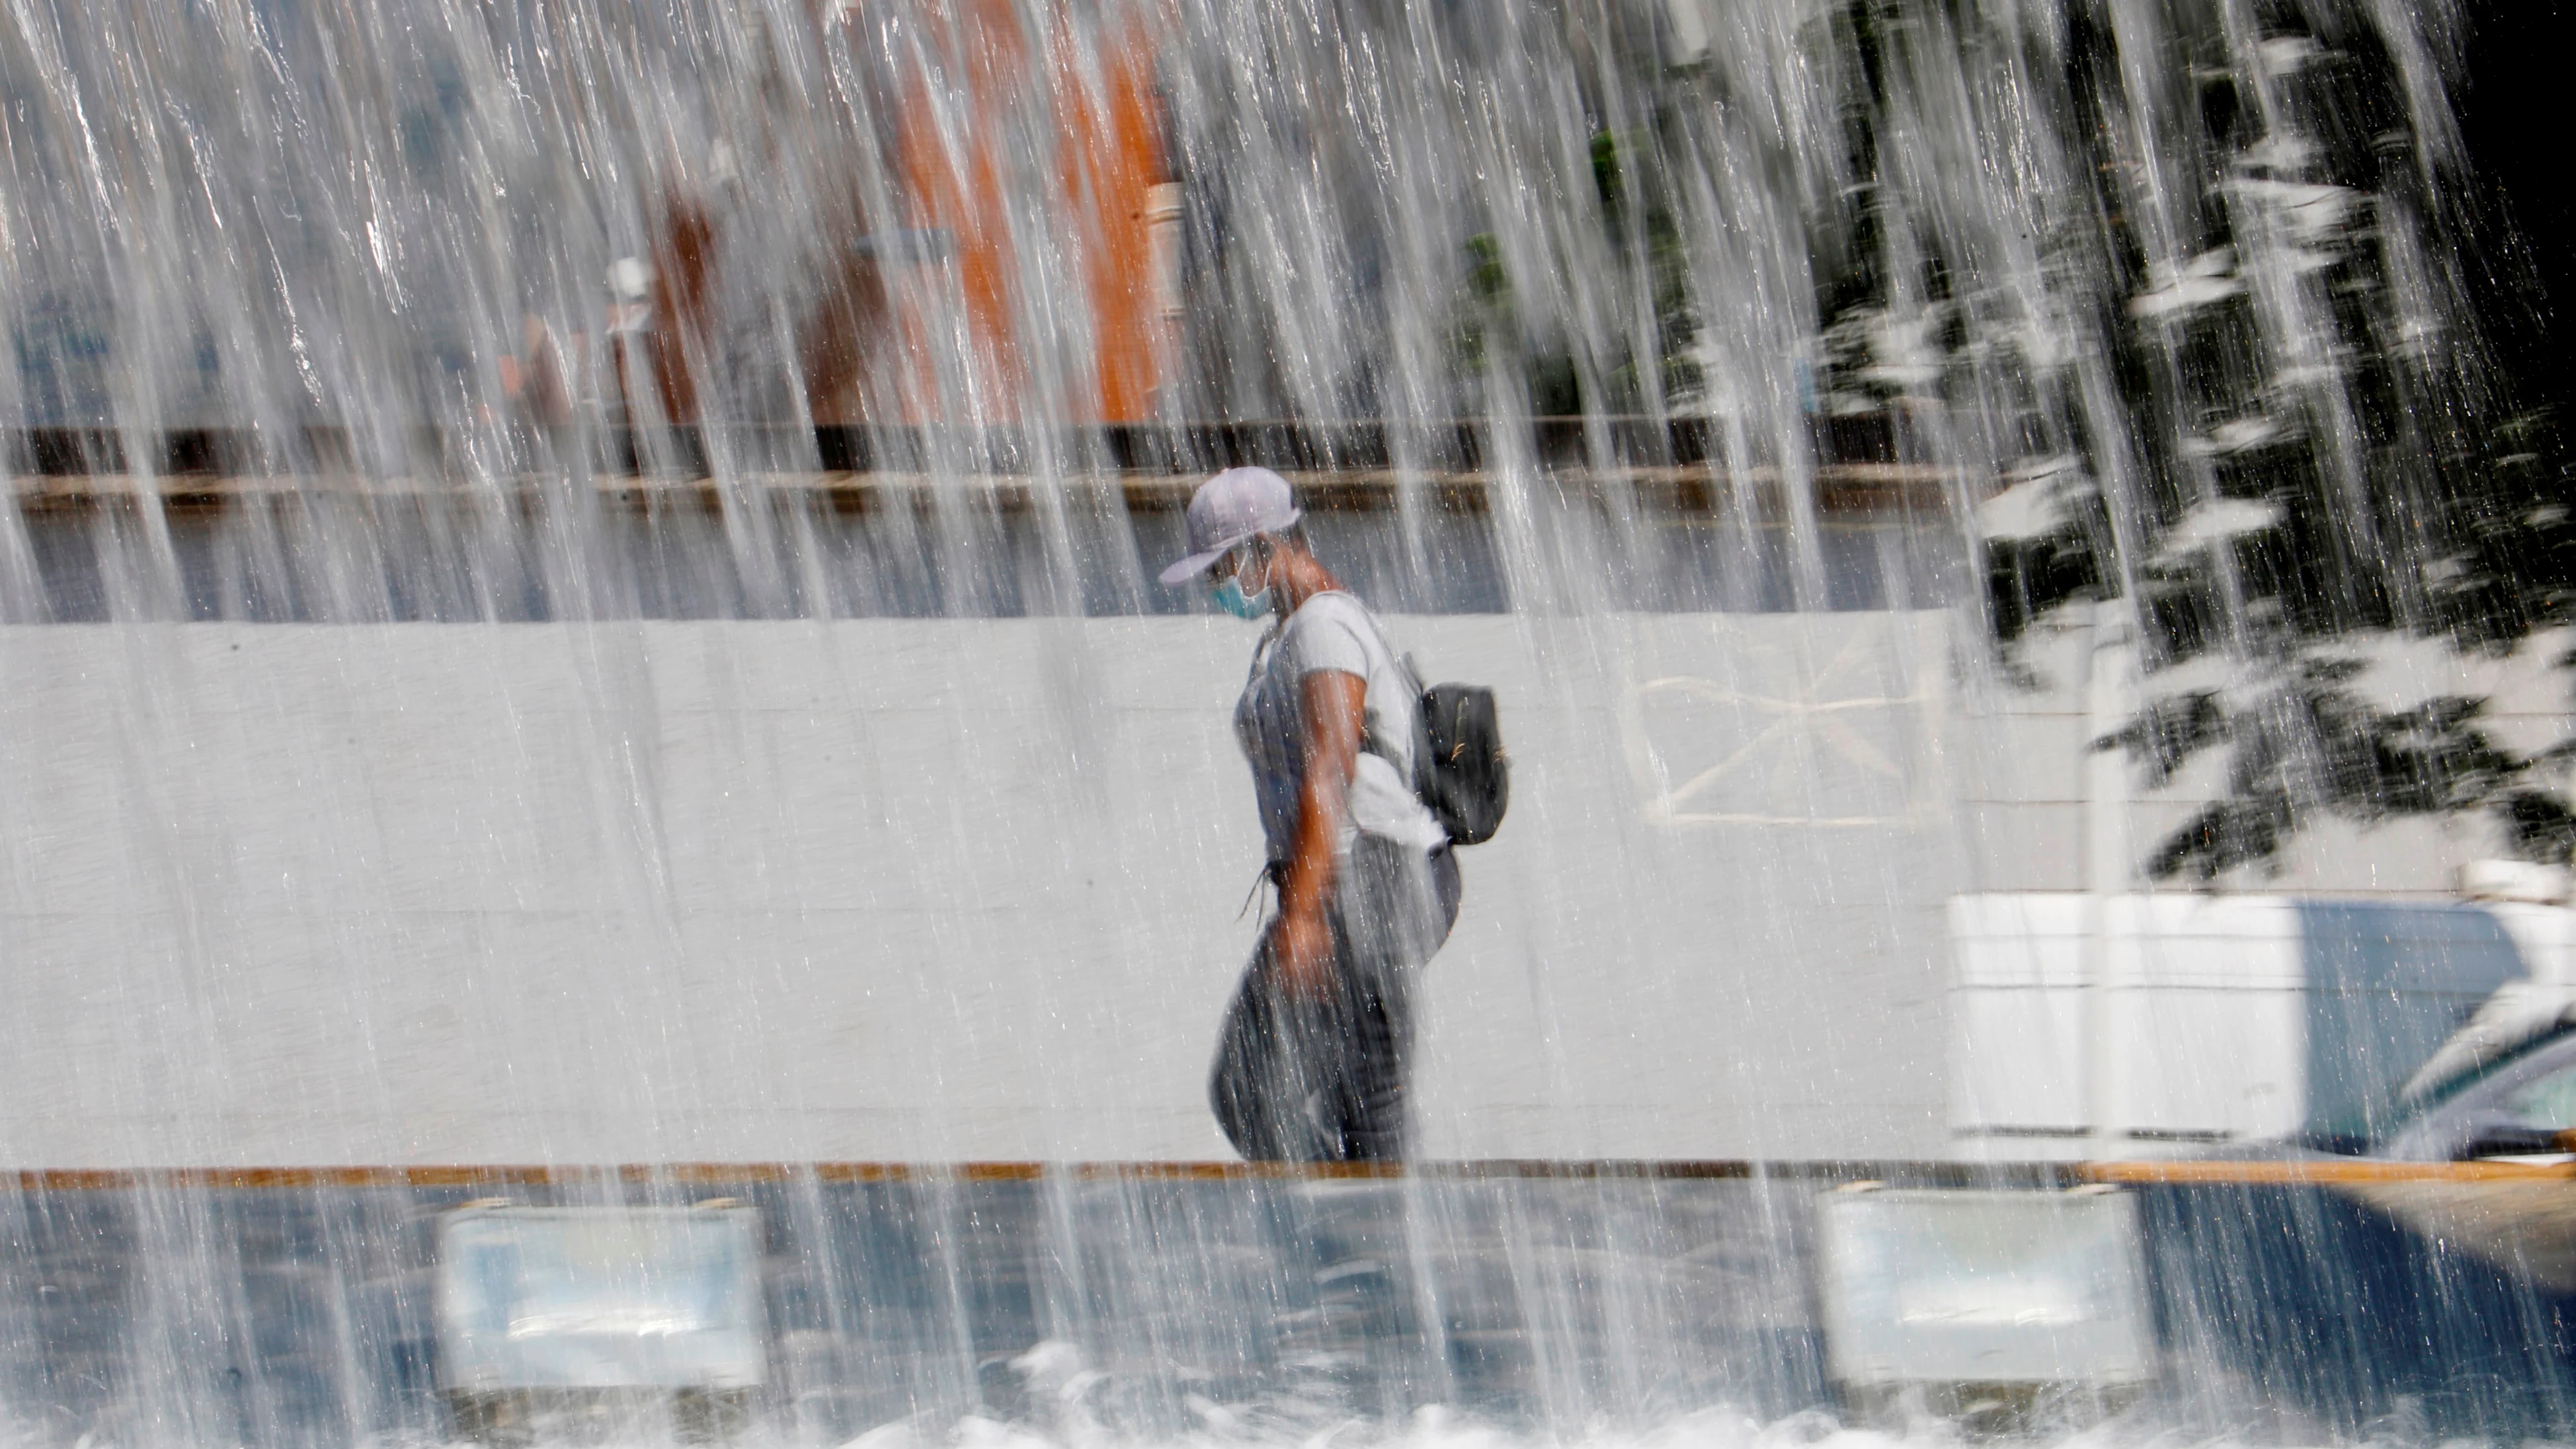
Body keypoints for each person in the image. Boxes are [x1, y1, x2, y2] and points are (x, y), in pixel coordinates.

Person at [1161, 467, 1463, 1163]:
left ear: (1265, 546)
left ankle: (1371, 1244)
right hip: (1350, 882)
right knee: (1282, 1088)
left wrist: (1300, 918)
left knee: (1343, 1090)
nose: (1217, 587)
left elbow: (1331, 765)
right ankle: (1355, 1232)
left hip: (1378, 879)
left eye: (1222, 567)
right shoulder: (1297, 627)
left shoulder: (1324, 625)